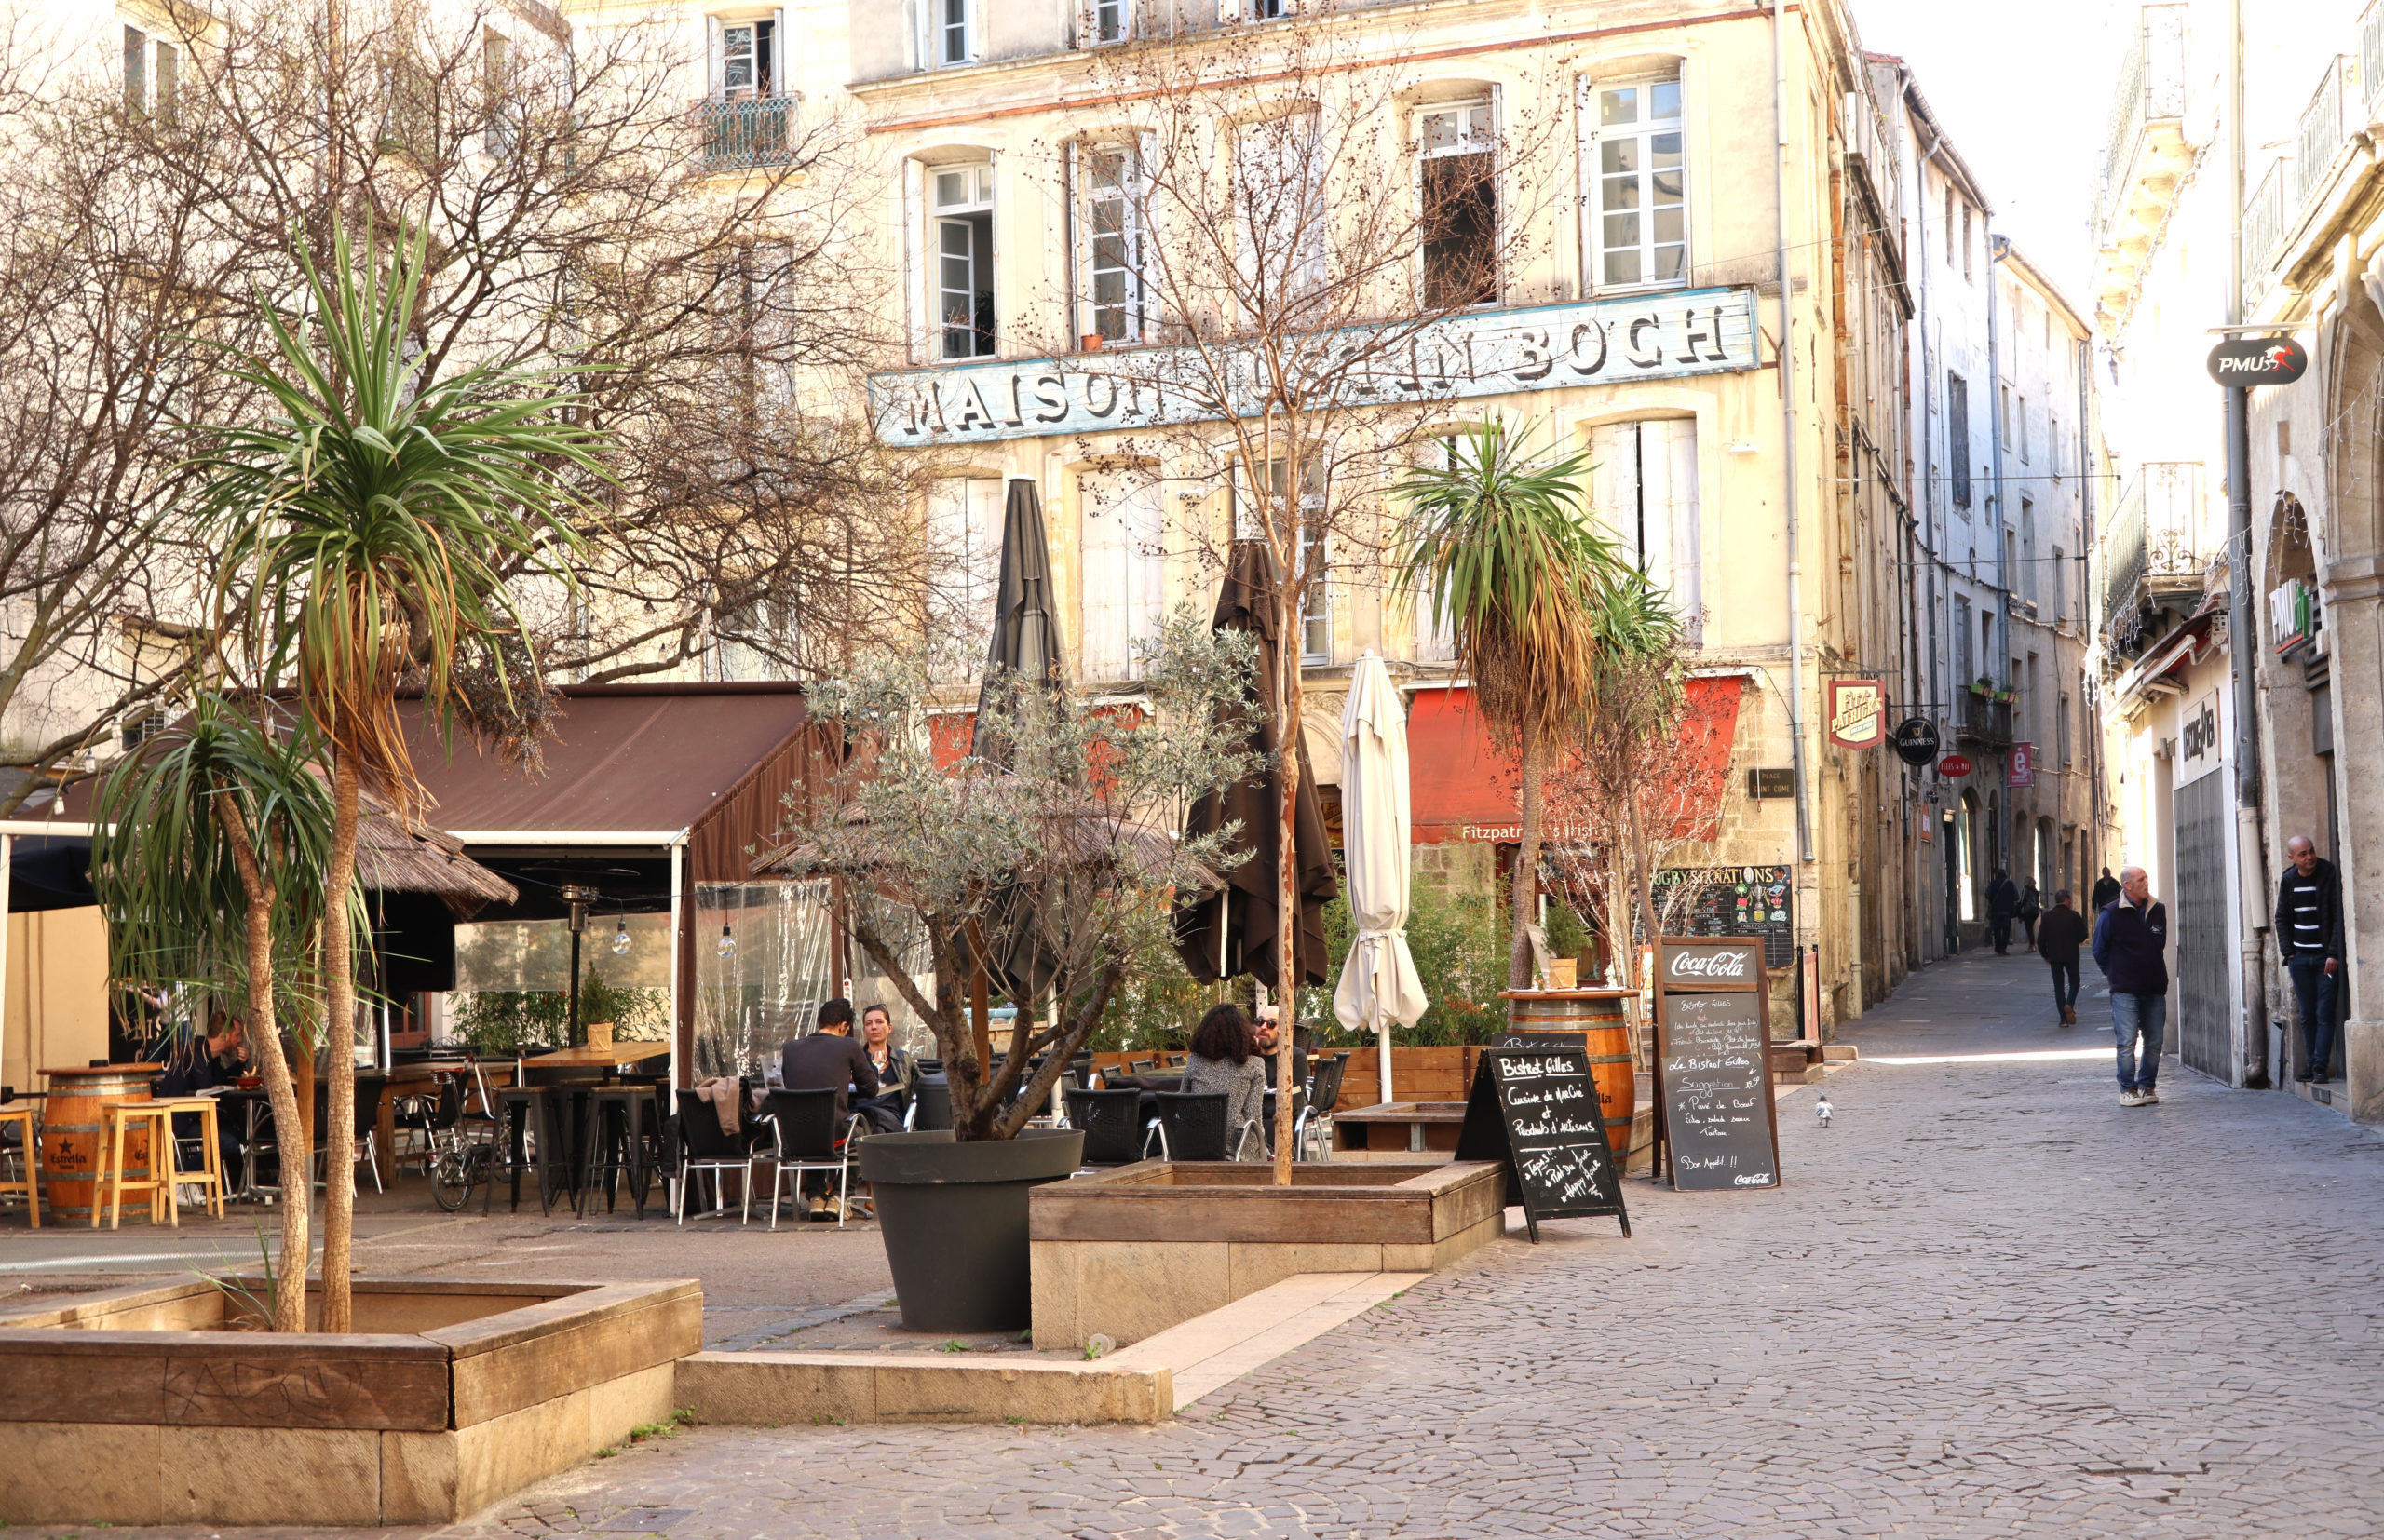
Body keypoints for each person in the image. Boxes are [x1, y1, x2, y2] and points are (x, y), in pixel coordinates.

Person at [779, 998, 879, 1219]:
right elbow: (871, 1089)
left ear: (819, 1021)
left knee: (812, 1122)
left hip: (796, 1137)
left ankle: (815, 1196)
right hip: (834, 1135)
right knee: (858, 1133)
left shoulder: (791, 1048)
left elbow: (791, 1085)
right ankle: (840, 1197)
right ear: (844, 1026)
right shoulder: (849, 1046)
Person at [2092, 866, 2170, 1106]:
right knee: (2126, 1042)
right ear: (2128, 885)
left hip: (2154, 987)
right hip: (2125, 989)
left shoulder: (2158, 910)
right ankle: (2127, 1089)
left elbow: (2159, 945)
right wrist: (2115, 974)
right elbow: (2098, 949)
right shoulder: (2111, 913)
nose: (2146, 882)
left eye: (2146, 877)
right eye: (2141, 879)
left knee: (2154, 1041)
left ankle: (2147, 1086)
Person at [2273, 835, 2347, 1084]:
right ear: (2292, 858)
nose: (2310, 857)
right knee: (2307, 1014)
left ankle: (2320, 1068)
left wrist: (2333, 953)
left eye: (2311, 851)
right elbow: (2281, 917)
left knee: (2324, 1012)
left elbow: (2338, 915)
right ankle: (2311, 1062)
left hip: (2326, 960)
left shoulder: (2328, 873)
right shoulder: (2288, 880)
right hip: (2301, 960)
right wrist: (2289, 953)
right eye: (2303, 854)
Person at [1180, 1003, 1267, 1161]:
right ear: (1242, 1033)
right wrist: (1264, 1149)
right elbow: (1253, 1115)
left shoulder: (1194, 1060)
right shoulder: (1255, 1064)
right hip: (1237, 1148)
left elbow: (1182, 1101)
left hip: (1194, 1146)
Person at [852, 1003, 913, 1132]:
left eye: (879, 1022)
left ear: (889, 1028)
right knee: (878, 1130)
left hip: (892, 1117)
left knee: (875, 1121)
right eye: (868, 1023)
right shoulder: (855, 1060)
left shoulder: (903, 1059)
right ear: (864, 1030)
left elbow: (922, 1084)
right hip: (862, 1117)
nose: (874, 1027)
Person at [2037, 890, 2090, 1026]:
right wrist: (2074, 940)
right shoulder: (2073, 916)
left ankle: (2063, 1019)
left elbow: (2041, 939)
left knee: (2058, 987)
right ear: (2066, 900)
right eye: (2069, 899)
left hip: (2054, 956)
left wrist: (2045, 955)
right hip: (2071, 954)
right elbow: (2083, 935)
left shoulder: (2048, 917)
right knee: (2074, 982)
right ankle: (2070, 1003)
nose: (2071, 902)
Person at [1985, 869, 2020, 954]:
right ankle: (2003, 948)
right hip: (2007, 911)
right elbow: (2017, 897)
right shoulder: (2011, 884)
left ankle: (1998, 947)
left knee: (1997, 930)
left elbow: (1987, 894)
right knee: (2006, 930)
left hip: (1996, 910)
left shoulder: (1992, 884)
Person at [2015, 880, 2042, 952]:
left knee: (2029, 928)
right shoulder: (2035, 891)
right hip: (2035, 912)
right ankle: (2032, 945)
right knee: (2030, 928)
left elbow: (2022, 901)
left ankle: (2031, 945)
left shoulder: (2026, 889)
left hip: (2028, 912)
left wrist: (2018, 910)